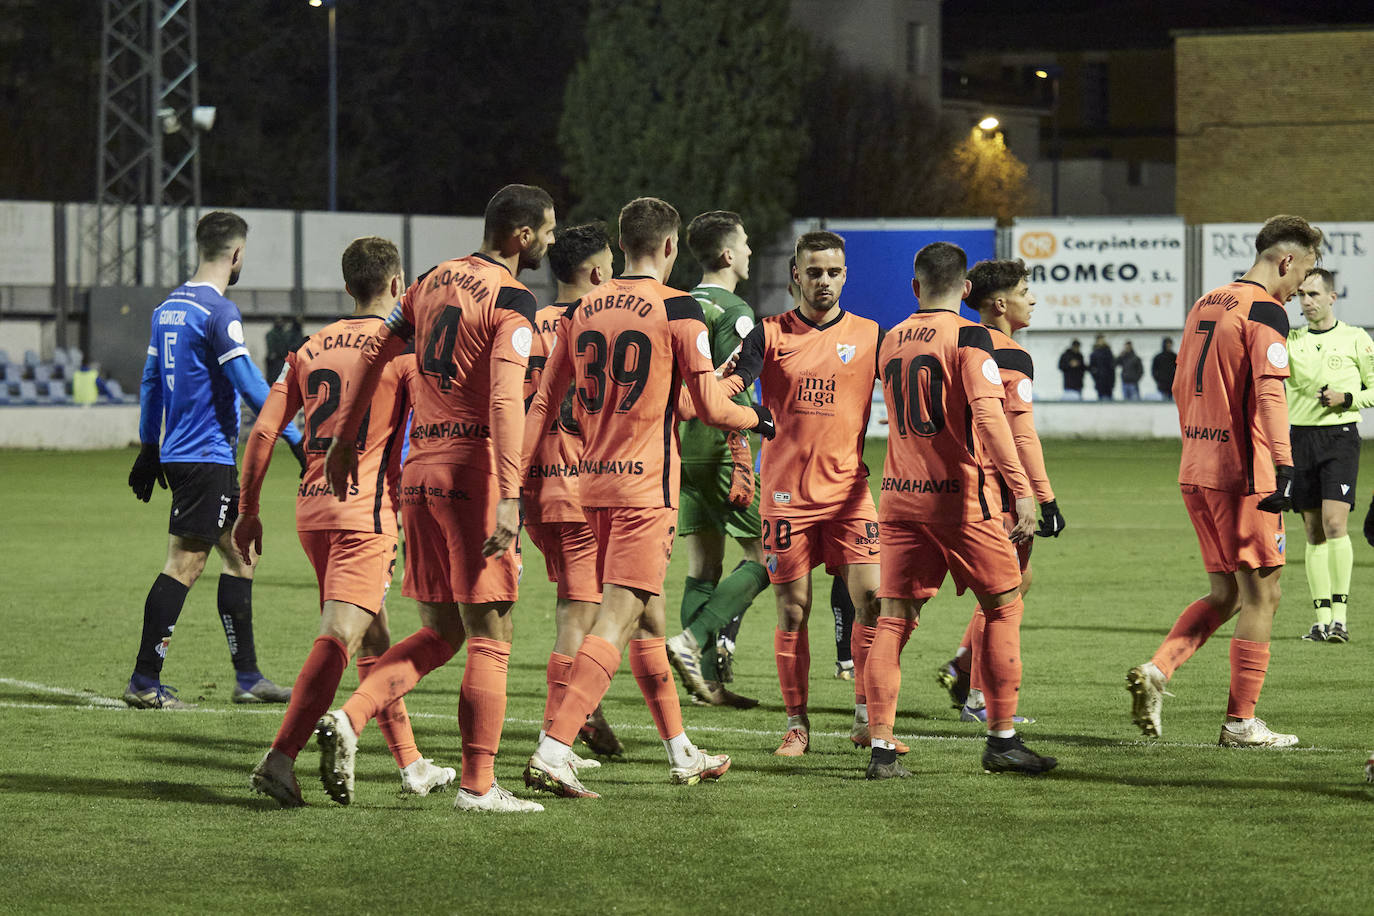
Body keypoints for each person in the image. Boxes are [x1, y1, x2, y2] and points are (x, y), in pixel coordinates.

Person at [521, 196, 773, 799]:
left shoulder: (583, 310)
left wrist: (511, 482)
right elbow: (709, 405)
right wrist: (755, 416)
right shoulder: (679, 308)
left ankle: (681, 750)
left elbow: (544, 403)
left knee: (650, 623)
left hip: (592, 484)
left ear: (622, 243)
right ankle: (554, 748)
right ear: (668, 248)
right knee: (616, 618)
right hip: (644, 488)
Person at [319, 184, 556, 814]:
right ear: (522, 237)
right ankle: (479, 785)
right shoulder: (512, 299)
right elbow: (508, 398)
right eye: (549, 231)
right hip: (473, 477)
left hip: (418, 472)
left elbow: (378, 350)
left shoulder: (426, 281)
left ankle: (351, 716)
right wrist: (511, 495)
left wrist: (345, 436)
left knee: (442, 631)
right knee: (491, 631)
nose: (554, 241)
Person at [236, 236, 456, 807]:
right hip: (365, 512)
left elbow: (262, 432)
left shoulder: (310, 347)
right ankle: (280, 759)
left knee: (373, 638)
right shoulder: (400, 353)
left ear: (348, 284)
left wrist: (249, 510)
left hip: (312, 510)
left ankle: (411, 764)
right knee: (340, 634)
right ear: (395, 285)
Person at [1126, 214, 1322, 748]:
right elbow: (1270, 393)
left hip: (1198, 466)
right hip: (1245, 474)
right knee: (1265, 594)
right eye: (1303, 272)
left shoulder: (1208, 302)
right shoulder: (1265, 311)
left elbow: (1177, 383)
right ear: (1286, 261)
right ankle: (1240, 723)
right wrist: (1284, 466)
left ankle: (1159, 670)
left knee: (1226, 591)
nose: (1301, 285)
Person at [864, 241, 1053, 779]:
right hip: (961, 501)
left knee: (893, 621)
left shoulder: (892, 337)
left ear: (915, 287)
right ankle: (1002, 738)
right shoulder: (971, 338)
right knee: (1004, 606)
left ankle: (881, 747)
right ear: (967, 290)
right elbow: (992, 422)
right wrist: (1021, 491)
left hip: (899, 498)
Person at [125, 210, 304, 709]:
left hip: (185, 454)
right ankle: (143, 680)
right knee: (184, 563)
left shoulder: (169, 308)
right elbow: (248, 382)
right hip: (207, 457)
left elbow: (150, 382)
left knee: (239, 555)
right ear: (236, 254)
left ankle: (248, 678)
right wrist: (291, 435)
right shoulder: (217, 312)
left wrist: (149, 446)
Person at [726, 230, 887, 758]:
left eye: (833, 272)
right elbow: (728, 387)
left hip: (849, 493)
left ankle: (866, 716)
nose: (824, 281)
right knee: (794, 612)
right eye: (813, 271)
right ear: (796, 274)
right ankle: (797, 723)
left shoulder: (870, 334)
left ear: (845, 275)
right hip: (785, 497)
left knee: (873, 601)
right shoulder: (768, 334)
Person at [935, 258, 1065, 723]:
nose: (1033, 298)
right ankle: (977, 695)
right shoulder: (1008, 353)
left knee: (1009, 586)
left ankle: (961, 667)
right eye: (1026, 290)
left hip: (945, 485)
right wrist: (1043, 496)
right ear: (1000, 303)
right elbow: (1020, 433)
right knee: (1004, 594)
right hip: (1001, 490)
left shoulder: (956, 340)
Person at [525, 222, 624, 759]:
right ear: (597, 273)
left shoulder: (530, 324)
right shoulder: (599, 326)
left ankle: (587, 714)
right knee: (585, 614)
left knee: (582, 607)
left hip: (535, 487)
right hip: (580, 485)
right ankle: (556, 732)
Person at [665, 210, 768, 709]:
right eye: (745, 243)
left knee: (704, 565)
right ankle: (691, 640)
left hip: (682, 447)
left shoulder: (681, 303)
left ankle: (708, 685)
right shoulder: (734, 310)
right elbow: (731, 381)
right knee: (769, 555)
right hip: (722, 445)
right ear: (727, 254)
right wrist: (749, 431)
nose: (749, 251)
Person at [1286, 268, 1374, 643]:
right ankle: (1320, 620)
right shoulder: (1290, 340)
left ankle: (1341, 617)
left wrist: (1347, 398)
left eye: (1314, 294)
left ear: (1332, 298)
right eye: (1302, 295)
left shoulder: (1356, 338)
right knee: (1312, 530)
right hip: (1300, 439)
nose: (1307, 301)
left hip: (1339, 439)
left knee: (1335, 523)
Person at [265, 317, 291, 387]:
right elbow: (271, 346)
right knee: (273, 378)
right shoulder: (272, 334)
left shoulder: (285, 334)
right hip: (275, 360)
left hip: (282, 359)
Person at [1089, 334, 1115, 400]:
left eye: (1102, 340)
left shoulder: (1108, 352)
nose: (1101, 341)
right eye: (1100, 340)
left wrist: (1112, 381)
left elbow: (1112, 368)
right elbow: (1091, 368)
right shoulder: (1094, 354)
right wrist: (1096, 377)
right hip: (1099, 381)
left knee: (1109, 399)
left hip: (1109, 382)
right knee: (1100, 399)